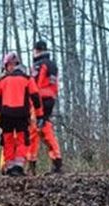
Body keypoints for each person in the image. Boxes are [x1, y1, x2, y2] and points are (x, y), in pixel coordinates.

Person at [0, 52, 42, 177]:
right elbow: (36, 97)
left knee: (7, 140)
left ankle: (9, 166)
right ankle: (18, 166)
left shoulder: (2, 81)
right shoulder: (27, 79)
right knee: (22, 140)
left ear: (8, 65)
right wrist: (40, 115)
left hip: (6, 115)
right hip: (22, 115)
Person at [26, 40, 63, 175]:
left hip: (39, 100)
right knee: (43, 127)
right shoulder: (52, 64)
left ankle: (32, 164)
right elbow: (54, 85)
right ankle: (56, 160)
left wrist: (31, 100)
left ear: (36, 50)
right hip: (50, 99)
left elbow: (34, 84)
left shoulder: (38, 65)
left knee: (34, 130)